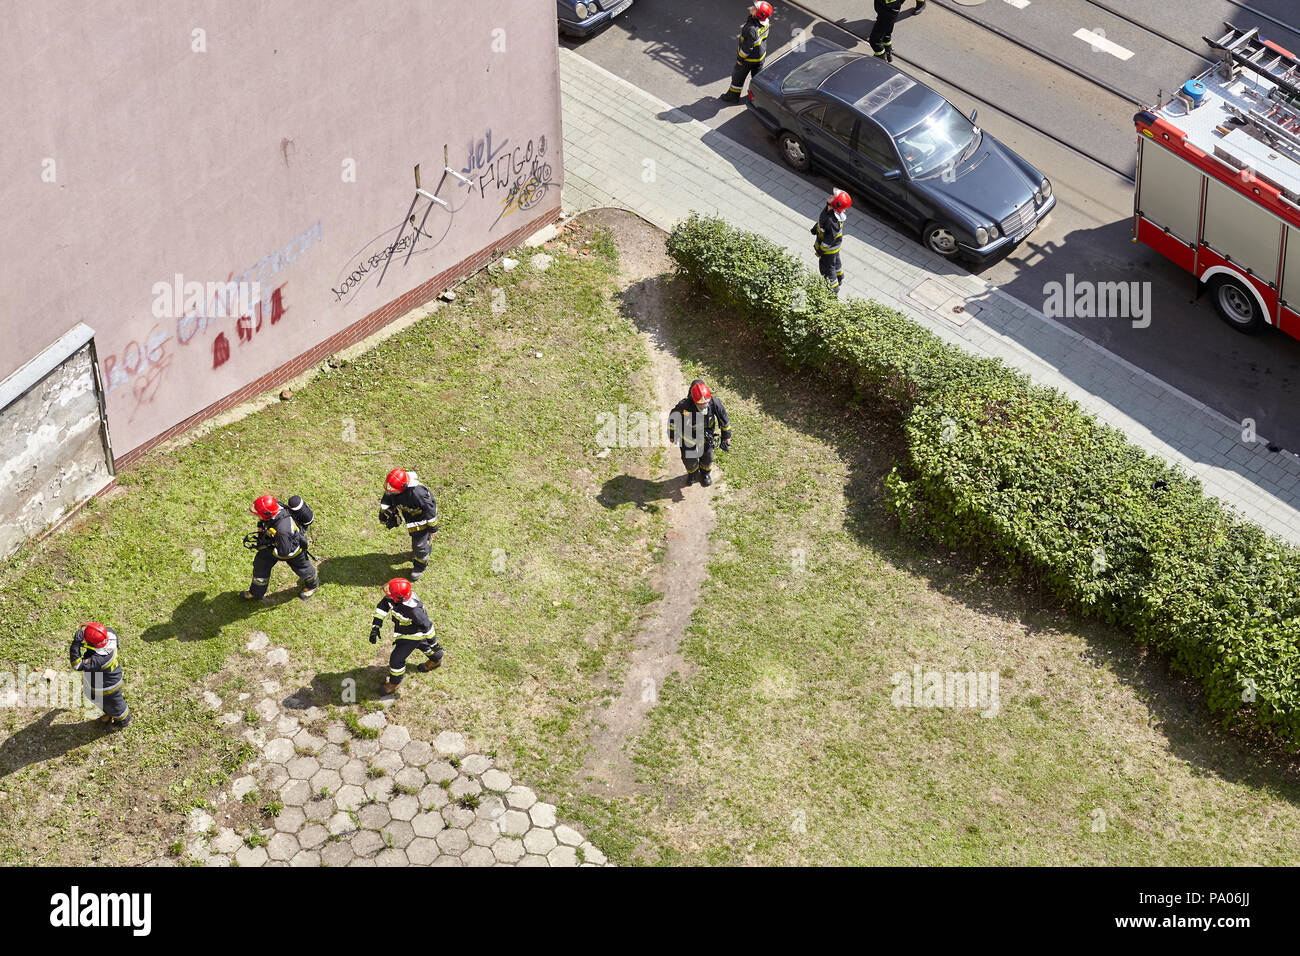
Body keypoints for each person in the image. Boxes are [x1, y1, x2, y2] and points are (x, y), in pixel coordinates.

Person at [370, 578, 443, 694]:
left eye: (391, 592)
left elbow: (427, 627)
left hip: (412, 634)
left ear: (399, 598)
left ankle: (394, 683)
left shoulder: (414, 610)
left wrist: (434, 643)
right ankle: (436, 658)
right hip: (405, 630)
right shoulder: (395, 598)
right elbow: (382, 607)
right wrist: (376, 626)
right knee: (424, 645)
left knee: (396, 659)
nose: (388, 593)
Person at [242, 495, 319, 600]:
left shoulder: (283, 531)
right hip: (276, 544)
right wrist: (261, 527)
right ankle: (256, 592)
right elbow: (265, 520)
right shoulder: (275, 507)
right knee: (260, 565)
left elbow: (284, 552)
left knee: (303, 569)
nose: (257, 516)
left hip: (292, 551)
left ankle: (312, 586)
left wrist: (268, 545)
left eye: (259, 515)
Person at [668, 380, 732, 487]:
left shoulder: (714, 403)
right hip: (688, 438)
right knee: (689, 460)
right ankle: (693, 474)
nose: (703, 407)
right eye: (700, 405)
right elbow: (673, 418)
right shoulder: (684, 406)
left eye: (705, 404)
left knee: (708, 458)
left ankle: (705, 474)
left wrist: (726, 437)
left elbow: (724, 420)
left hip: (706, 438)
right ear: (693, 400)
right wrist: (672, 434)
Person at [377, 468, 438, 581]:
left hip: (421, 519)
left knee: (419, 545)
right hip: (410, 516)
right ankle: (424, 545)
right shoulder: (394, 490)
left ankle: (420, 563)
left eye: (393, 489)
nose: (390, 490)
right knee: (418, 543)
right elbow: (386, 504)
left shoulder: (418, 494)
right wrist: (383, 517)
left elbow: (430, 510)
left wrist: (432, 528)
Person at [70, 622, 133, 730]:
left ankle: (123, 721)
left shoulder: (99, 659)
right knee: (96, 699)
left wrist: (76, 643)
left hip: (108, 687)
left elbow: (77, 665)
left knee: (115, 705)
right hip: (99, 679)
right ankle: (109, 712)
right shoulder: (110, 634)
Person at [720, 2, 773, 103]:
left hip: (749, 59)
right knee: (757, 79)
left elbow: (746, 48)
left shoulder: (750, 29)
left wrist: (740, 59)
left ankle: (733, 96)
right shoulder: (765, 21)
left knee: (738, 77)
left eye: (755, 8)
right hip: (760, 57)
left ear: (758, 14)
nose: (752, 7)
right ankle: (759, 97)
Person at [812, 189, 851, 295]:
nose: (831, 195)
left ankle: (833, 290)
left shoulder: (832, 221)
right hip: (835, 247)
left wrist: (820, 252)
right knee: (836, 261)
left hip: (828, 250)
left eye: (833, 196)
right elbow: (822, 223)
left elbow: (828, 240)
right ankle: (840, 277)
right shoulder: (828, 210)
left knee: (828, 268)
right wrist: (815, 228)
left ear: (836, 204)